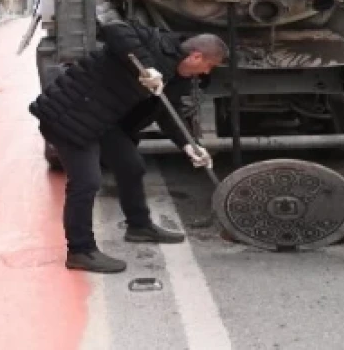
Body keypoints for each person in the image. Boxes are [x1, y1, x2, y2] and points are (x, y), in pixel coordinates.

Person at [29, 20, 227, 274]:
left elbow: (167, 112)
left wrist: (190, 146)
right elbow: (114, 29)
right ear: (196, 55)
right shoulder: (153, 41)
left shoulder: (178, 77)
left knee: (131, 166)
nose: (207, 72)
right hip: (70, 115)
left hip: (103, 120)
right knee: (86, 182)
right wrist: (147, 67)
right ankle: (80, 251)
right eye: (208, 65)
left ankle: (139, 226)